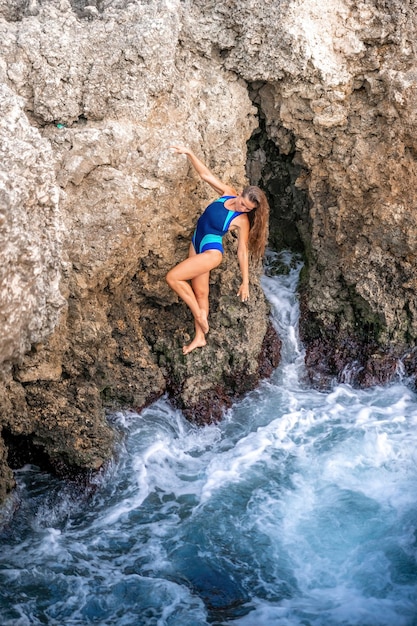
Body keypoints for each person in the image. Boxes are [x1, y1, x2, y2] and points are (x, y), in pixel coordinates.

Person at [166, 145, 269, 354]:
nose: (243, 209)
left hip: (211, 252)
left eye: (248, 209)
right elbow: (205, 175)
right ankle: (200, 337)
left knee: (173, 278)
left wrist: (245, 281)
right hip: (196, 241)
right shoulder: (227, 192)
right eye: (242, 204)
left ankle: (199, 316)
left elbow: (242, 250)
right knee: (201, 292)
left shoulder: (241, 221)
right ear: (240, 194)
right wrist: (190, 153)